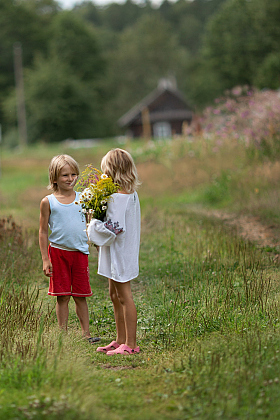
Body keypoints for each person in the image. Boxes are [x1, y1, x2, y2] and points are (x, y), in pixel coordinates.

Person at [39, 154, 100, 344]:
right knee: (63, 296)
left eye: (74, 174)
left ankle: (86, 334)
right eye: (65, 175)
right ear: (54, 178)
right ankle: (62, 334)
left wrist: (96, 242)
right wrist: (45, 259)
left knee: (81, 296)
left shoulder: (84, 199)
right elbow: (42, 232)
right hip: (58, 253)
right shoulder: (48, 202)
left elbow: (92, 225)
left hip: (80, 253)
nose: (70, 179)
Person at [87, 148, 141, 355]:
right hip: (119, 250)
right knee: (114, 293)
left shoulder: (118, 198)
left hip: (120, 250)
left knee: (124, 296)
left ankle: (131, 344)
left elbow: (112, 229)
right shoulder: (129, 194)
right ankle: (120, 339)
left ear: (111, 171)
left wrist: (93, 225)